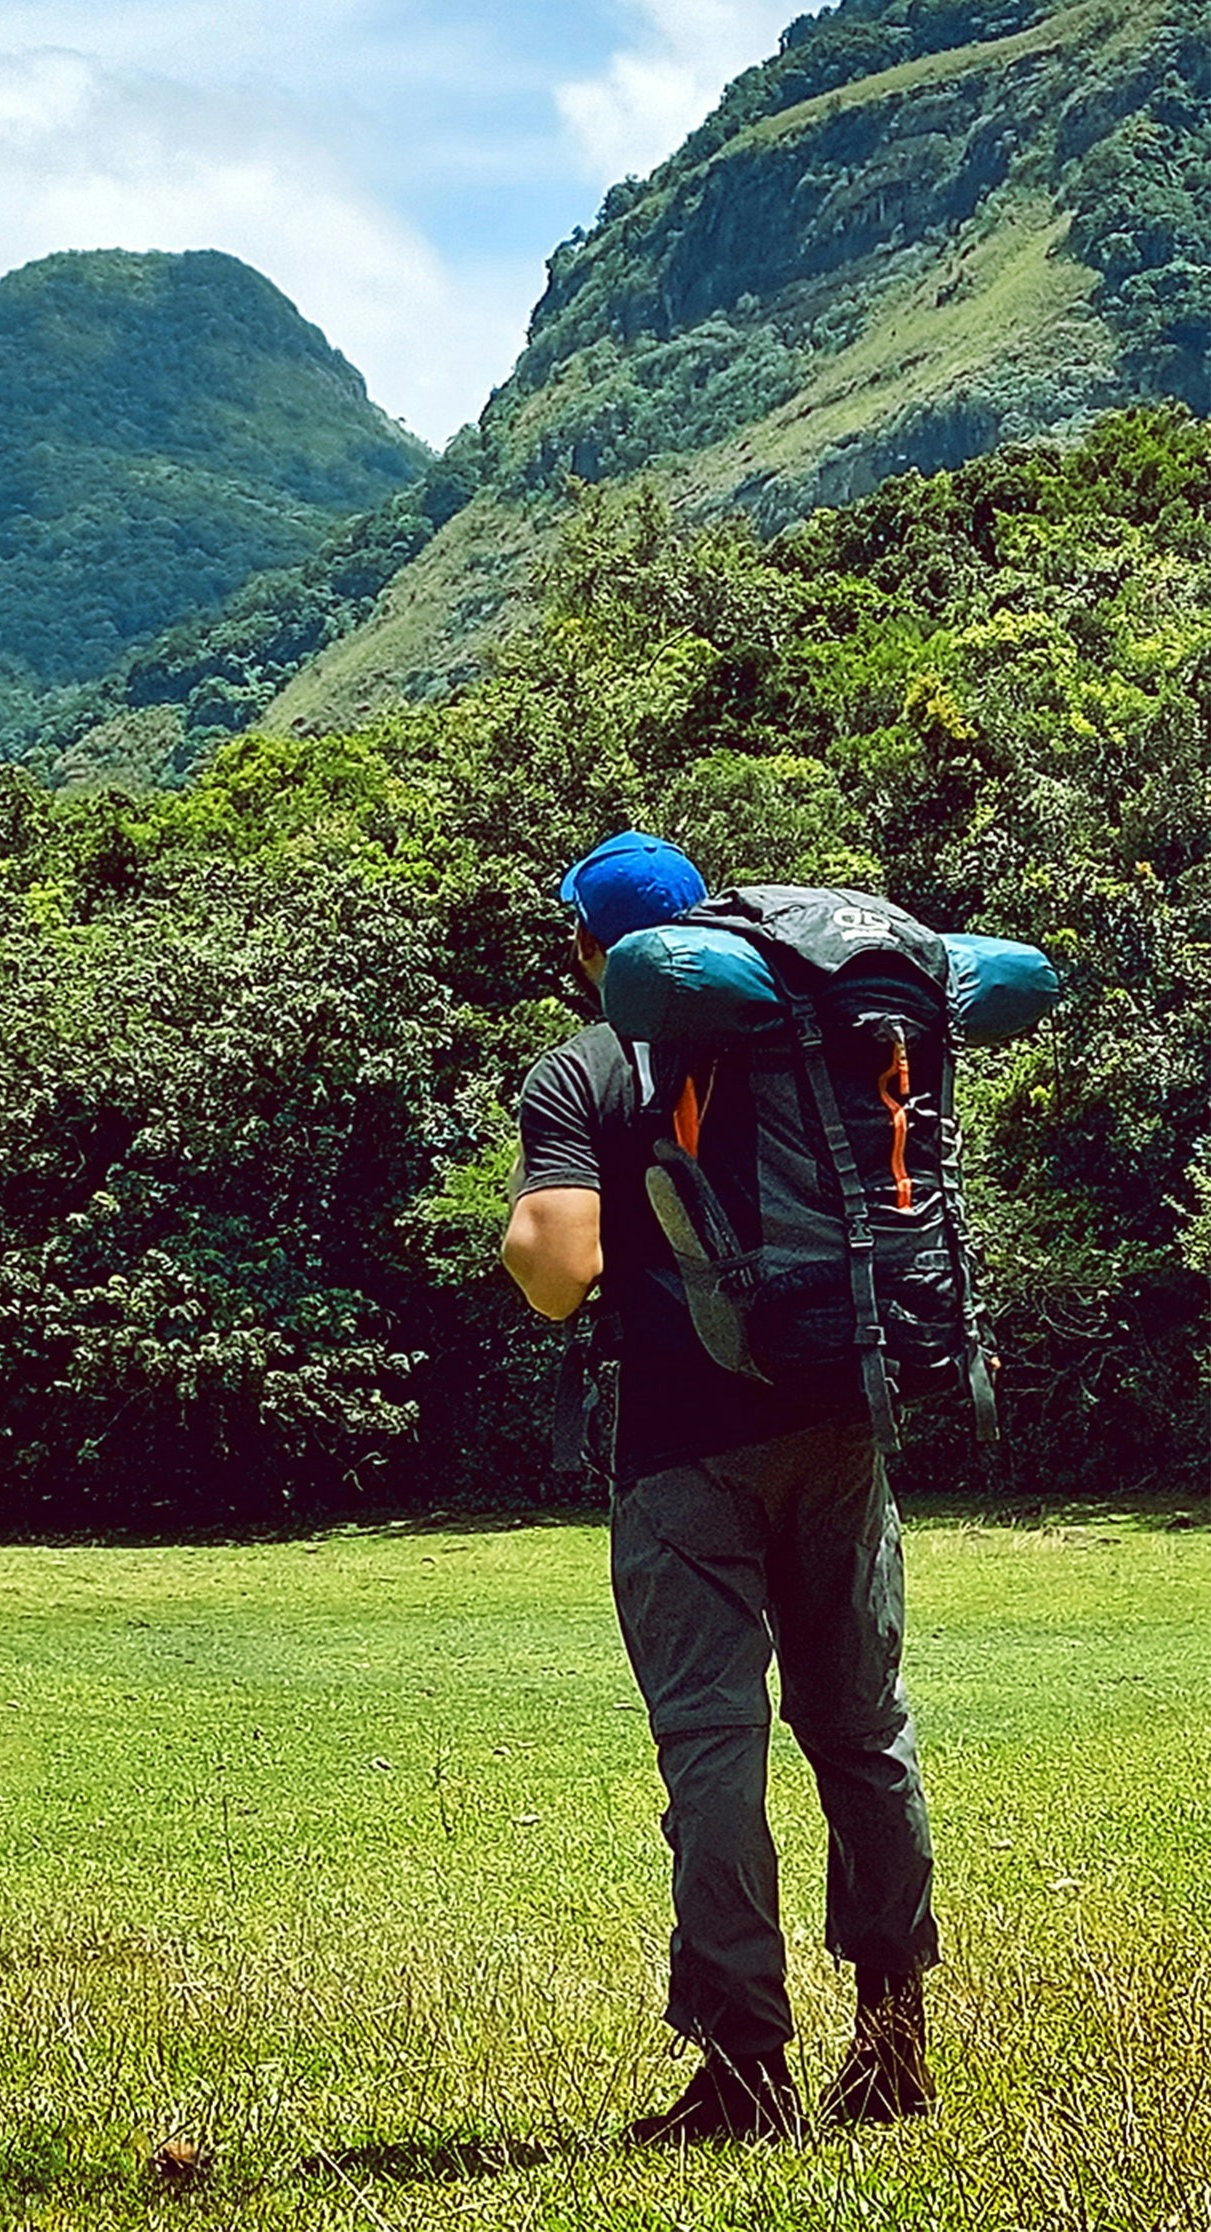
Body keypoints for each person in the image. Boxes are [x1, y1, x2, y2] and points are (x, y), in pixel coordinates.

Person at [501, 830, 939, 2146]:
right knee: (862, 1728)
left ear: (592, 949)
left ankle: (746, 2075)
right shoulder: (798, 1041)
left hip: (687, 1454)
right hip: (839, 1427)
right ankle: (895, 2039)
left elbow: (554, 1263)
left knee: (715, 1749)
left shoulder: (583, 1070)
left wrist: (528, 1238)